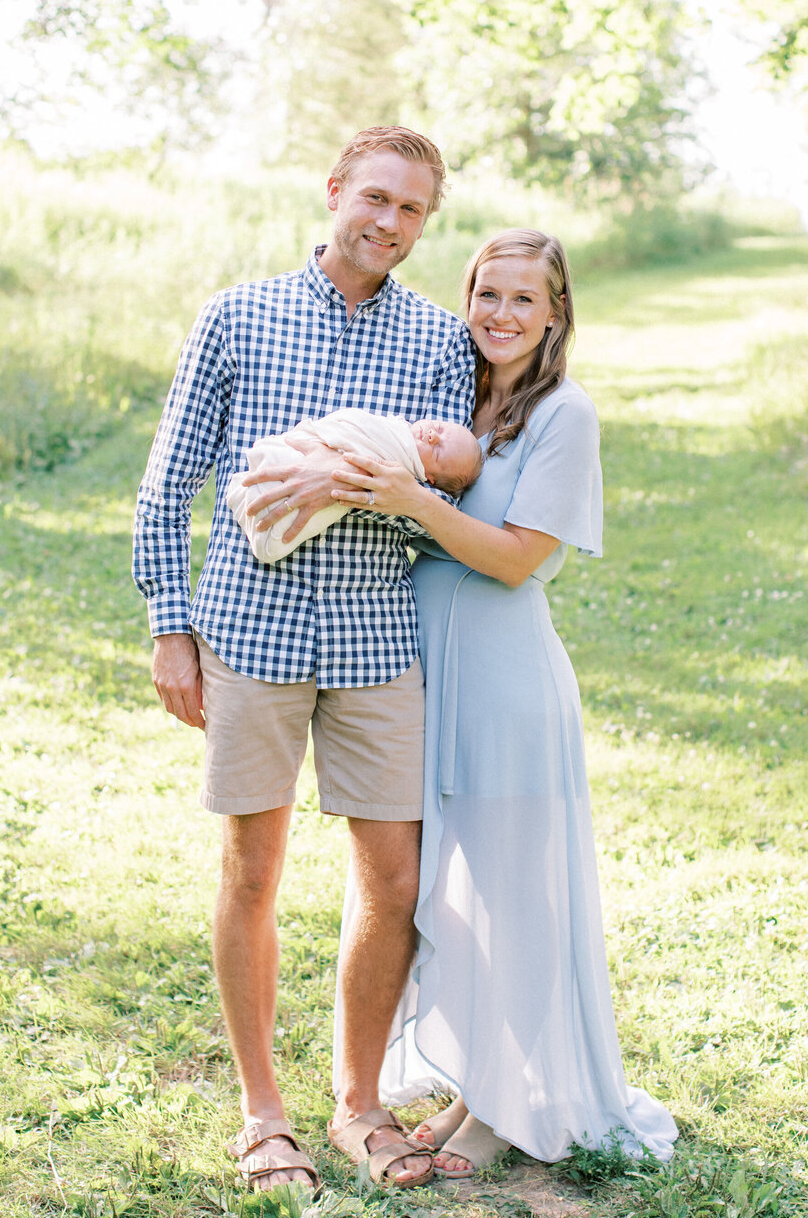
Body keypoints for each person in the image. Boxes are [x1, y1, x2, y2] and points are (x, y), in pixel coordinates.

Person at [131, 126, 475, 1193]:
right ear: (334, 190)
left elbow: (449, 509)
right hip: (252, 636)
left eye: (413, 209)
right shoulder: (240, 315)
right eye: (376, 197)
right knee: (252, 872)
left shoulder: (441, 343)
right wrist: (169, 624)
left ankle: (358, 1104)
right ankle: (263, 1112)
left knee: (395, 879)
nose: (390, 222)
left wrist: (367, 481)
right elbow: (166, 484)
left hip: (377, 640)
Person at [321, 228, 679, 1173]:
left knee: (512, 897)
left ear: (556, 312)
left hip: (505, 683)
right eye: (487, 294)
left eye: (525, 299)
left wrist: (412, 501)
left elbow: (519, 560)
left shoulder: (566, 414)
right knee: (448, 893)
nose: (502, 315)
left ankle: (499, 1113)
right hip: (423, 674)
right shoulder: (462, 399)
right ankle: (472, 1088)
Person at [227, 409, 482, 563]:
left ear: (430, 478)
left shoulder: (404, 462)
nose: (432, 436)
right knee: (278, 476)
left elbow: (444, 508)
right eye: (439, 427)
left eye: (437, 452)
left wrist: (349, 476)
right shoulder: (396, 427)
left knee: (281, 522)